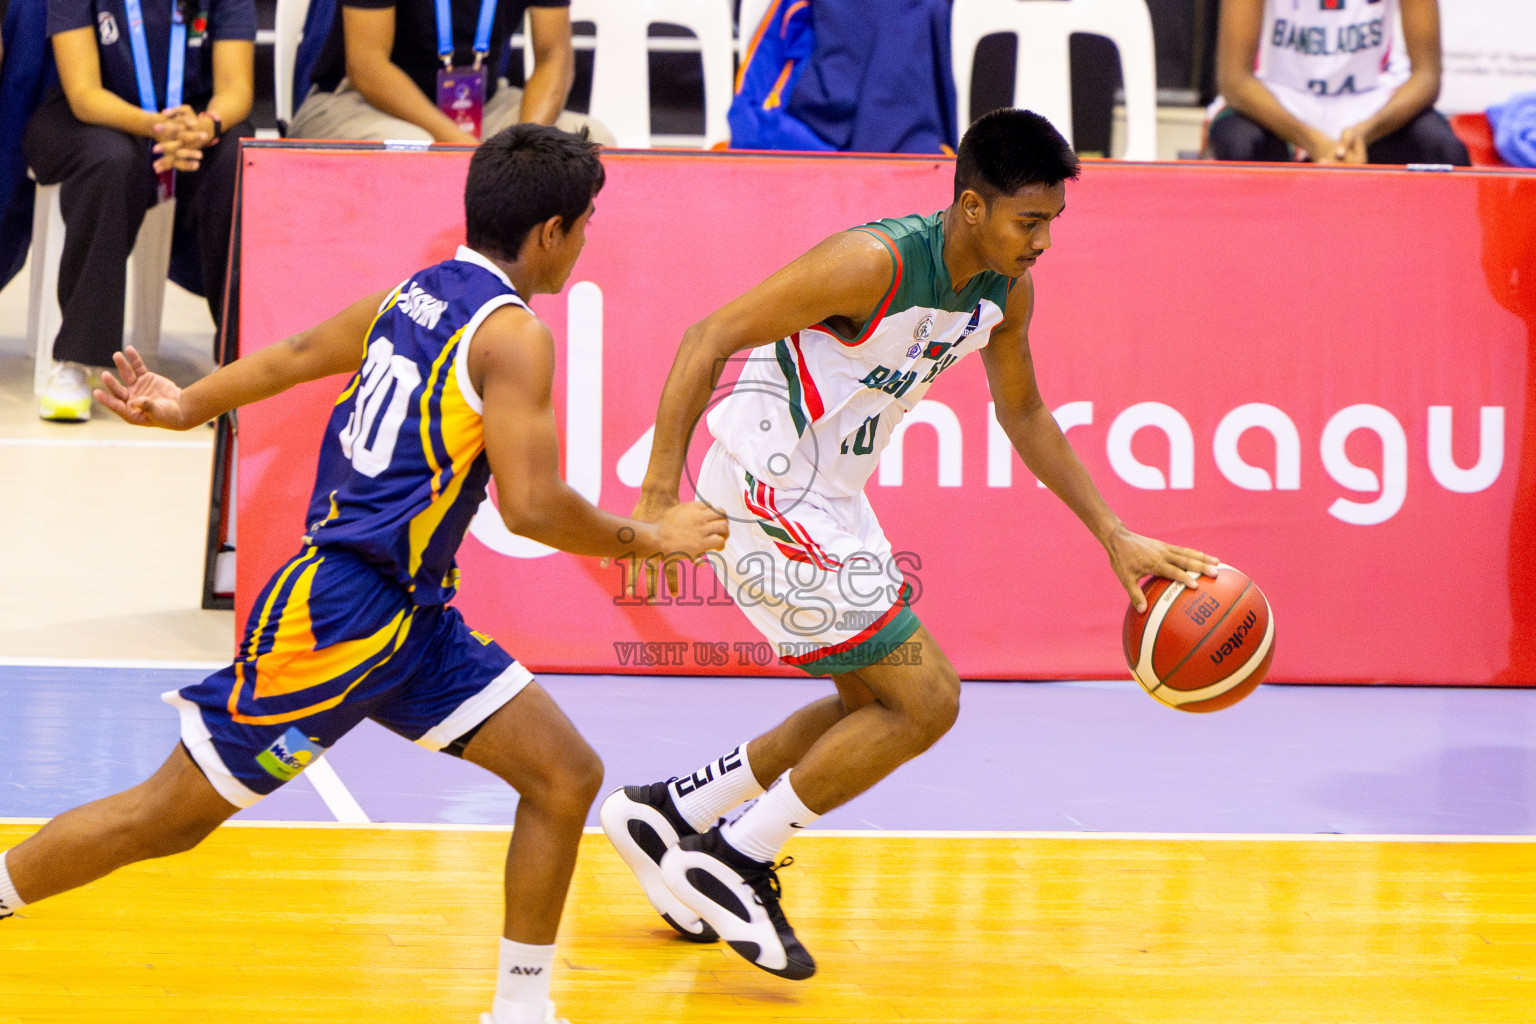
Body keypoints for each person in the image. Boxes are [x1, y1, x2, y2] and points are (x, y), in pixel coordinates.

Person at [0, 124, 726, 1024]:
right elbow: (532, 508)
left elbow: (303, 350)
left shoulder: (419, 291)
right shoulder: (514, 337)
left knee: (564, 774)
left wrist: (190, 403)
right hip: (342, 615)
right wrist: (652, 539)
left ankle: (522, 1009)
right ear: (550, 231)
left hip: (414, 620)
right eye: (583, 225)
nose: (584, 243)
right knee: (168, 817)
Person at [598, 108, 1220, 980]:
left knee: (873, 707)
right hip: (765, 478)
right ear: (972, 207)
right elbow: (707, 336)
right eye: (1028, 221)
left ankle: (670, 812)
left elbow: (1024, 411)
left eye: (1051, 223)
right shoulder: (875, 261)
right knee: (928, 699)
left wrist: (1112, 535)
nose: (1042, 242)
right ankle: (734, 856)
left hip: (832, 499)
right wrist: (658, 497)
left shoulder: (1007, 288)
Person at [24, 0, 256, 421]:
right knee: (110, 161)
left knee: (237, 158)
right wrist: (161, 129)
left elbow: (237, 87)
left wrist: (204, 127)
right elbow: (84, 96)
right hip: (98, 119)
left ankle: (236, 365)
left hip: (194, 122)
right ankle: (76, 361)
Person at [290, 0, 612, 146]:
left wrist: (523, 142)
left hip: (483, 105)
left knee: (592, 140)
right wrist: (461, 146)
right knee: (416, 147)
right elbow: (367, 67)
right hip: (357, 102)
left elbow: (553, 55)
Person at [1209, 0, 1468, 165]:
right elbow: (1235, 80)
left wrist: (1363, 133)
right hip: (1281, 101)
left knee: (1445, 152)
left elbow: (1427, 76)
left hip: (1370, 106)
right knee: (1239, 146)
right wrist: (1314, 142)